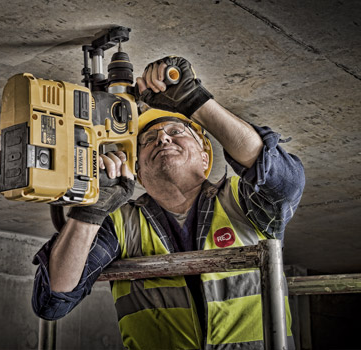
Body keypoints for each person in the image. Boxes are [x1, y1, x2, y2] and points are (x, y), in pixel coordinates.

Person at [31, 56, 305, 349]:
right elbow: (53, 300)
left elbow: (284, 181)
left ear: (205, 157)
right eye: (148, 140)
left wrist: (196, 101)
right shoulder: (120, 224)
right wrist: (90, 211)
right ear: (137, 172)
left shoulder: (240, 201)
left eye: (176, 132)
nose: (162, 138)